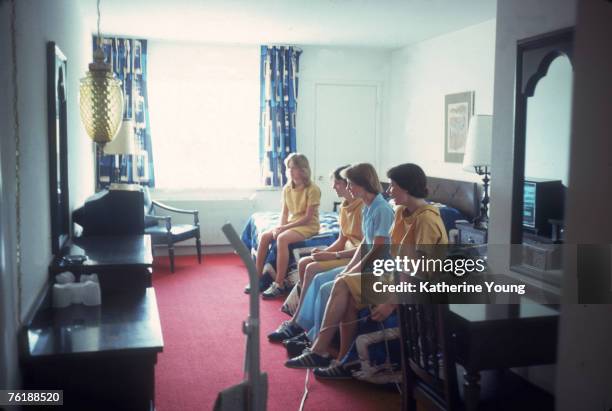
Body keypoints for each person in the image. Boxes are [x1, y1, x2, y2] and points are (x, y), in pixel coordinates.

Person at [285, 163, 448, 378]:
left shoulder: (426, 219)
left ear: (407, 188)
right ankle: (342, 360)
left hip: (418, 287)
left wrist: (391, 301)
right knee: (346, 290)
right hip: (394, 276)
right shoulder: (401, 212)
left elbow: (419, 271)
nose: (389, 191)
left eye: (393, 186)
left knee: (342, 283)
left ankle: (319, 350)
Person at [274, 163, 395, 361]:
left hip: (379, 270)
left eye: (350, 184)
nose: (347, 188)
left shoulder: (382, 209)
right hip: (366, 264)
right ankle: (313, 337)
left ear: (363, 184)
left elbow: (377, 250)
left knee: (329, 284)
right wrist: (349, 269)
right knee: (326, 283)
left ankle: (315, 343)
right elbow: (366, 244)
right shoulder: (368, 207)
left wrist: (350, 270)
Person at [267, 165, 364, 342]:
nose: (333, 187)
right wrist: (324, 251)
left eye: (336, 183)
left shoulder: (364, 208)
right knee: (304, 263)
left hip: (352, 256)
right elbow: (342, 240)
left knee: (311, 268)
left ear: (347, 183)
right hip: (345, 251)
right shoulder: (344, 206)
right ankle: (300, 319)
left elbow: (365, 248)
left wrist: (331, 256)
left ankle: (298, 323)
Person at [254, 153, 322, 299]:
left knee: (282, 239)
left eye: (294, 168)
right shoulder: (287, 188)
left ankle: (278, 284)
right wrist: (280, 226)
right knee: (266, 236)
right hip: (293, 223)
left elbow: (308, 218)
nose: (290, 171)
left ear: (303, 169)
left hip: (309, 225)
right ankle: (257, 278)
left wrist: (283, 229)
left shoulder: (313, 189)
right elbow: (284, 214)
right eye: (288, 168)